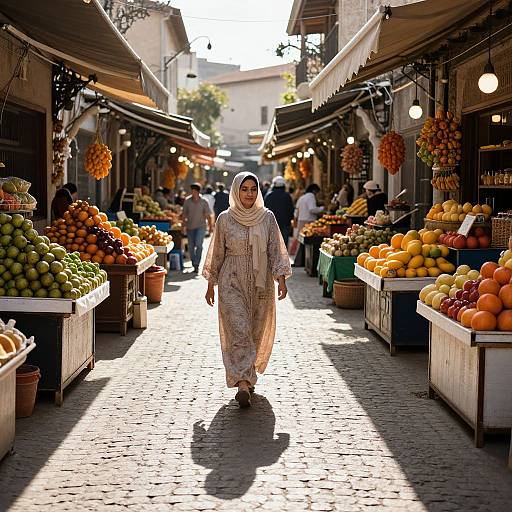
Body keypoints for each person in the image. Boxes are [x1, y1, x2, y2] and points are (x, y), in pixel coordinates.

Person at [203, 171, 291, 408]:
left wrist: (281, 279)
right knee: (239, 330)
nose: (249, 194)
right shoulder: (224, 218)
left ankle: (248, 374)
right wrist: (210, 284)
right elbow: (216, 253)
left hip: (260, 282)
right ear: (235, 191)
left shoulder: (267, 217)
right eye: (244, 189)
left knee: (255, 330)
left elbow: (275, 249)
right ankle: (242, 382)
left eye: (253, 189)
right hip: (231, 279)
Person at [183, 183, 213, 273]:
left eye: (194, 191)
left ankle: (197, 264)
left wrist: (211, 227)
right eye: (191, 191)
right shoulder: (187, 201)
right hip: (190, 227)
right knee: (191, 246)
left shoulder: (204, 201)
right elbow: (184, 214)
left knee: (199, 245)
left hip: (201, 226)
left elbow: (208, 215)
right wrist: (183, 226)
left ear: (198, 191)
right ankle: (193, 263)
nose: (192, 193)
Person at [264, 175, 294, 247]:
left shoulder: (268, 195)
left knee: (272, 245)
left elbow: (264, 210)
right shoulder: (287, 196)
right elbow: (291, 210)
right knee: (283, 245)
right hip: (285, 224)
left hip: (271, 224)